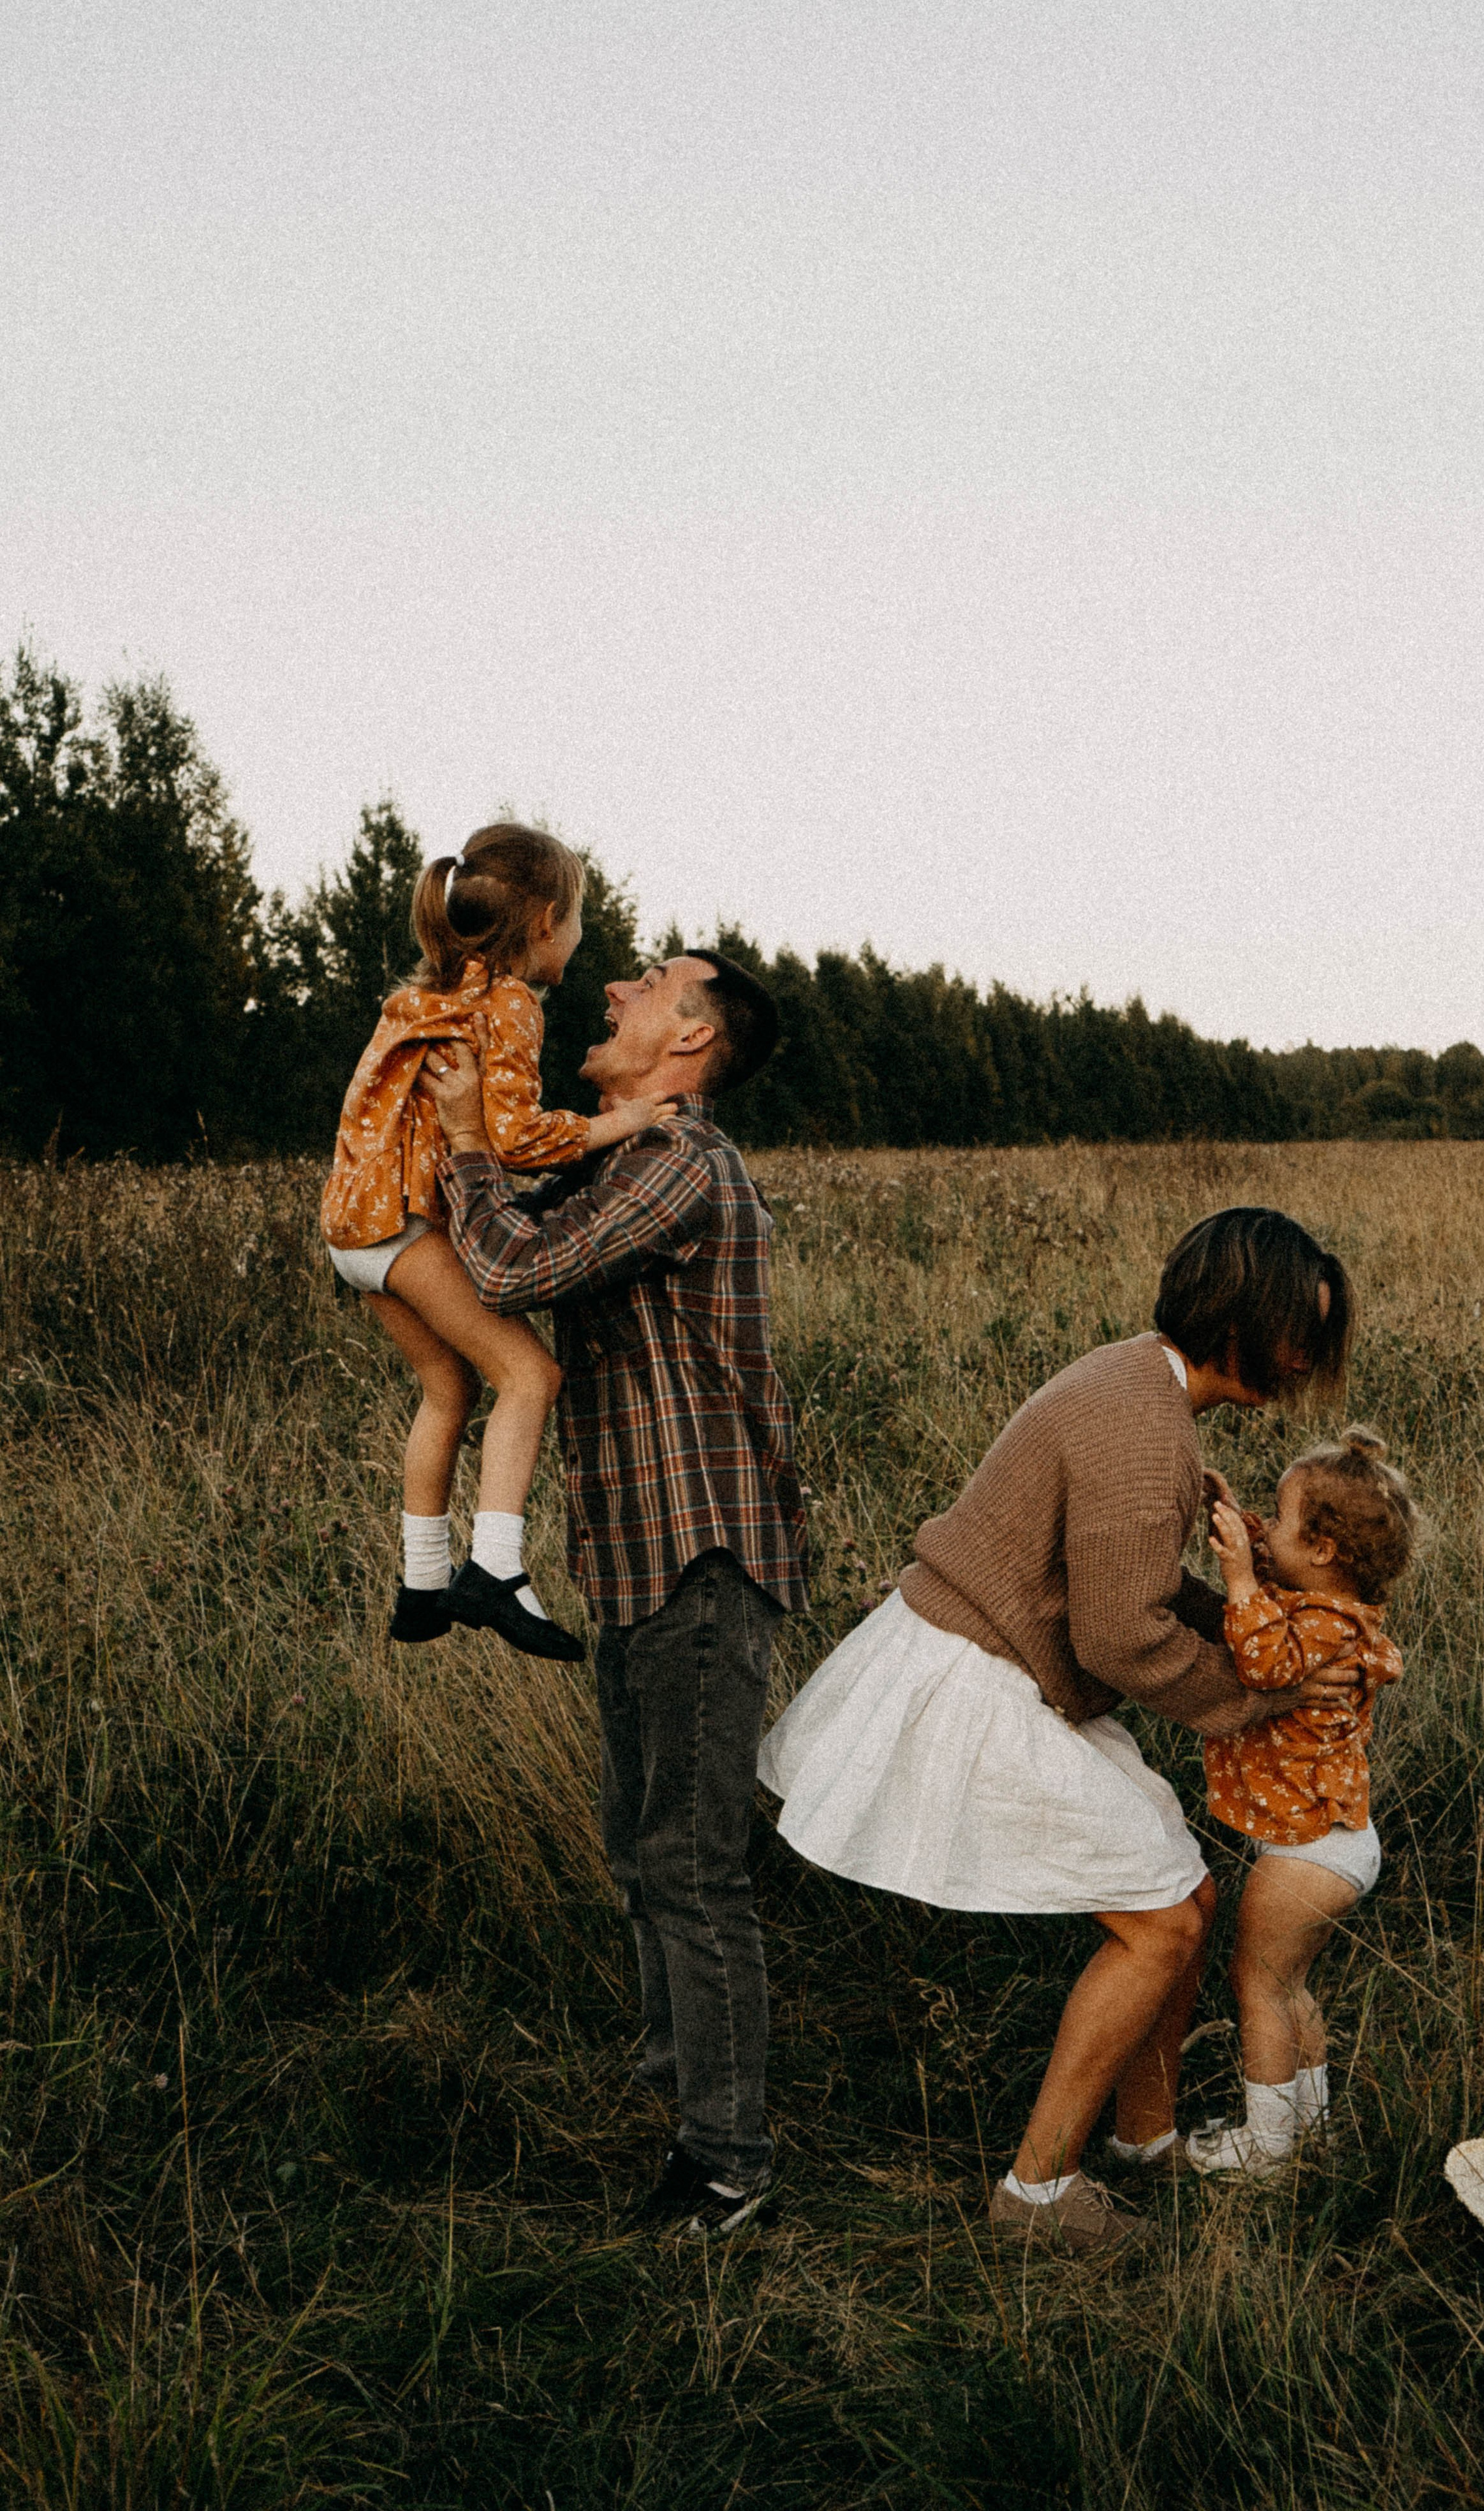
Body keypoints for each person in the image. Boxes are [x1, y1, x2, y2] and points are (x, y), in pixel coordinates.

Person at [760, 1205, 1359, 2254]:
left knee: (1189, 1890)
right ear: (1242, 1317)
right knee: (1164, 1919)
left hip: (995, 1656)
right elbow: (1124, 1637)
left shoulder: (1137, 1380)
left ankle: (1144, 2137)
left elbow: (1118, 1579)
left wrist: (1248, 1623)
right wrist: (1268, 1696)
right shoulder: (1145, 1428)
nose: (1306, 1357)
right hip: (975, 1677)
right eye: (1297, 1330)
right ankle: (1036, 2197)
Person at [417, 948, 808, 2237]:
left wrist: (472, 1143)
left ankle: (726, 2164)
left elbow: (519, 1272)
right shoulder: (624, 1151)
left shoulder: (683, 1164)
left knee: (690, 1867)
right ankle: (678, 2097)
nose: (613, 989)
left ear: (690, 1039)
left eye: (643, 981)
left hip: (699, 1563)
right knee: (646, 1856)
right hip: (645, 1565)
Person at [321, 823, 672, 1658]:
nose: (581, 944)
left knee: (448, 1391)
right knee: (529, 1372)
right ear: (547, 920)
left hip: (352, 1227)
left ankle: (419, 1588)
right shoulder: (509, 1001)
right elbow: (512, 1137)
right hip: (404, 1227)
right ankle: (497, 1570)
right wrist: (610, 1126)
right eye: (580, 922)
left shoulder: (432, 991)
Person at [1187, 1428, 1418, 2176]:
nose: (1267, 1532)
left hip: (1309, 1853)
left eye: (1279, 1521)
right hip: (1334, 1841)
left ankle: (1267, 2151)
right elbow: (1277, 1573)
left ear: (1321, 1550)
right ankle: (1310, 2132)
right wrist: (1241, 1525)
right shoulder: (1330, 1604)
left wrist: (1238, 1581)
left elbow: (1260, 1661)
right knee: (1292, 1989)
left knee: (1255, 1985)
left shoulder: (1319, 1624)